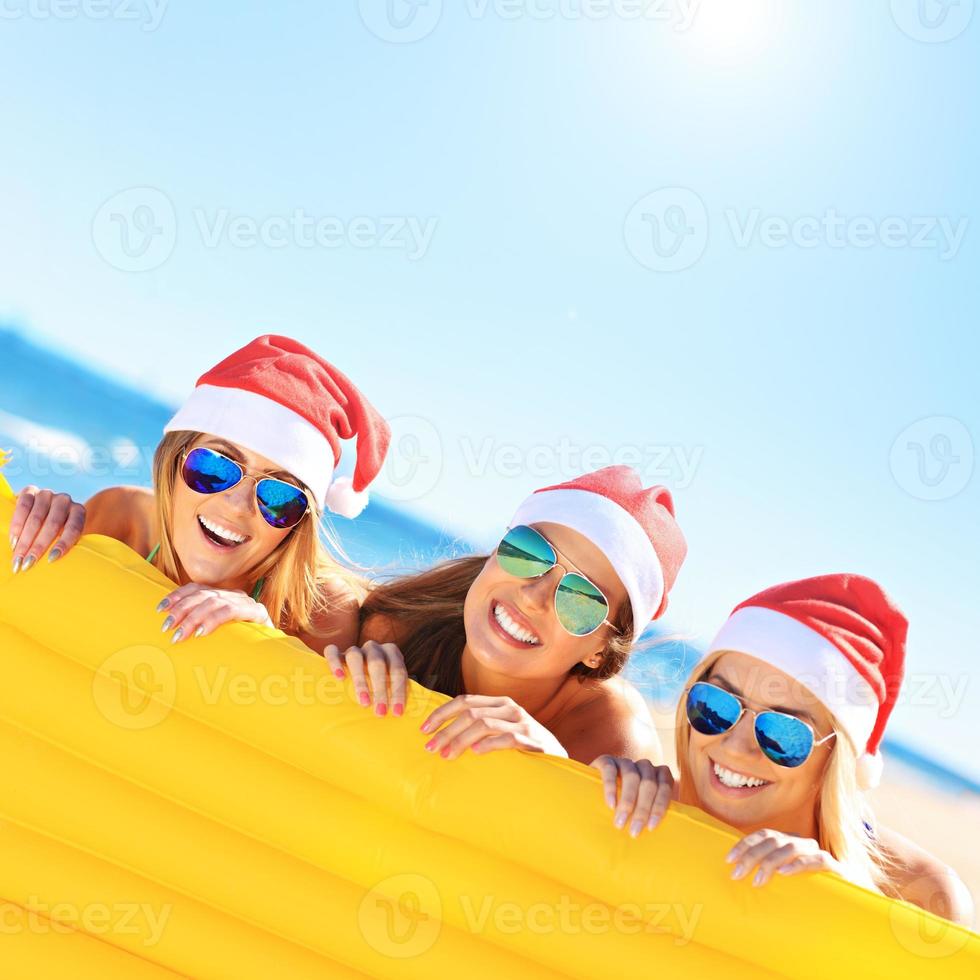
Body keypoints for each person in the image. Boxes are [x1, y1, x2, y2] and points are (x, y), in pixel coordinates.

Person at [594, 574, 975, 925]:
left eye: (783, 732)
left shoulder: (920, 898)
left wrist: (851, 910)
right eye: (716, 706)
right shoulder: (641, 806)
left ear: (837, 759)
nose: (737, 746)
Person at [7, 334, 390, 652]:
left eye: (278, 495)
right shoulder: (121, 519)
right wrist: (35, 521)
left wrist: (265, 644)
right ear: (173, 461)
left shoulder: (320, 613)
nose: (238, 505)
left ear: (298, 523)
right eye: (215, 467)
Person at [334, 466, 687, 765]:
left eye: (582, 599)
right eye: (528, 552)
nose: (535, 596)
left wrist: (554, 768)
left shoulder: (612, 738)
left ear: (601, 651)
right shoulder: (396, 630)